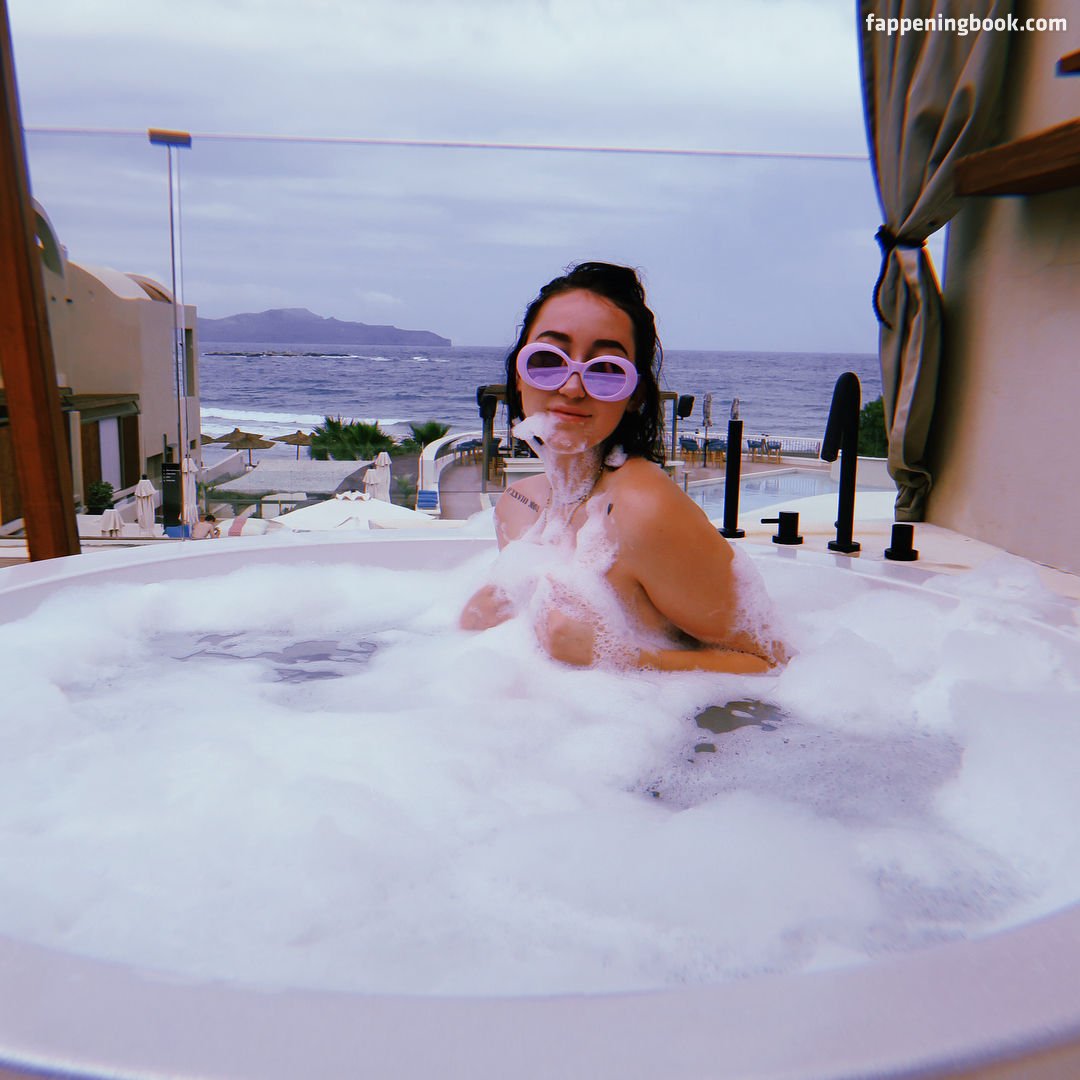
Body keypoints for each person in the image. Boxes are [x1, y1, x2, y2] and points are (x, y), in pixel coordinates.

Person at [460, 262, 783, 674]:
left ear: (635, 395)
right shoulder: (517, 506)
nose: (571, 388)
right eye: (547, 360)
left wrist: (619, 655)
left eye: (607, 370)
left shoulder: (644, 511)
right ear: (519, 376)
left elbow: (771, 660)